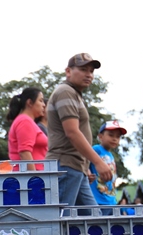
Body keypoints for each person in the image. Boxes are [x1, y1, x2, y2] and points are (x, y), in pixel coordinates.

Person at [46, 53, 110, 209]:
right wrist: (98, 162)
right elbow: (72, 133)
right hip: (65, 165)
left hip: (76, 167)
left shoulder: (75, 95)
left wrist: (85, 165)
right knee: (61, 220)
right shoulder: (65, 92)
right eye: (83, 69)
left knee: (93, 221)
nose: (88, 75)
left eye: (91, 71)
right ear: (68, 71)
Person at [6, 87, 48, 170]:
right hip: (29, 178)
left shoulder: (28, 121)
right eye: (40, 100)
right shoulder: (25, 121)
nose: (44, 105)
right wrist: (34, 179)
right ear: (30, 103)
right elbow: (24, 152)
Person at [89, 120, 126, 207]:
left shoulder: (111, 155)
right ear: (100, 137)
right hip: (98, 199)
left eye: (118, 136)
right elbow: (83, 160)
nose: (115, 139)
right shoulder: (96, 149)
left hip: (110, 200)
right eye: (111, 135)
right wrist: (87, 170)